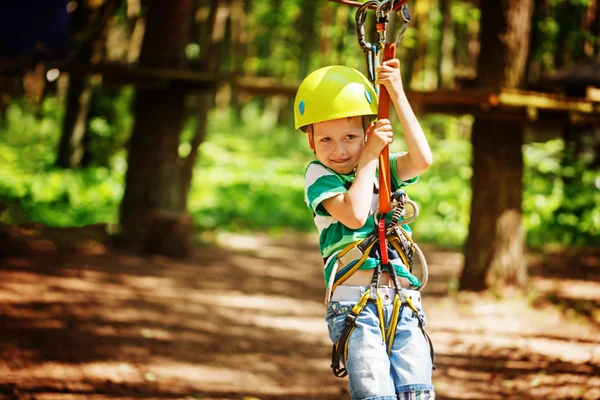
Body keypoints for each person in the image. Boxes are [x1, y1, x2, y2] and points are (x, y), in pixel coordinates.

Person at [294, 59, 435, 400]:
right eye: (326, 138)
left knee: (417, 393)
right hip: (355, 307)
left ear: (367, 133)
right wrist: (369, 155)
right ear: (311, 141)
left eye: (350, 137)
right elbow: (356, 215)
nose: (339, 149)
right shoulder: (319, 175)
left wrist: (397, 95)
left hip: (403, 301)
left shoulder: (382, 168)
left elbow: (422, 160)